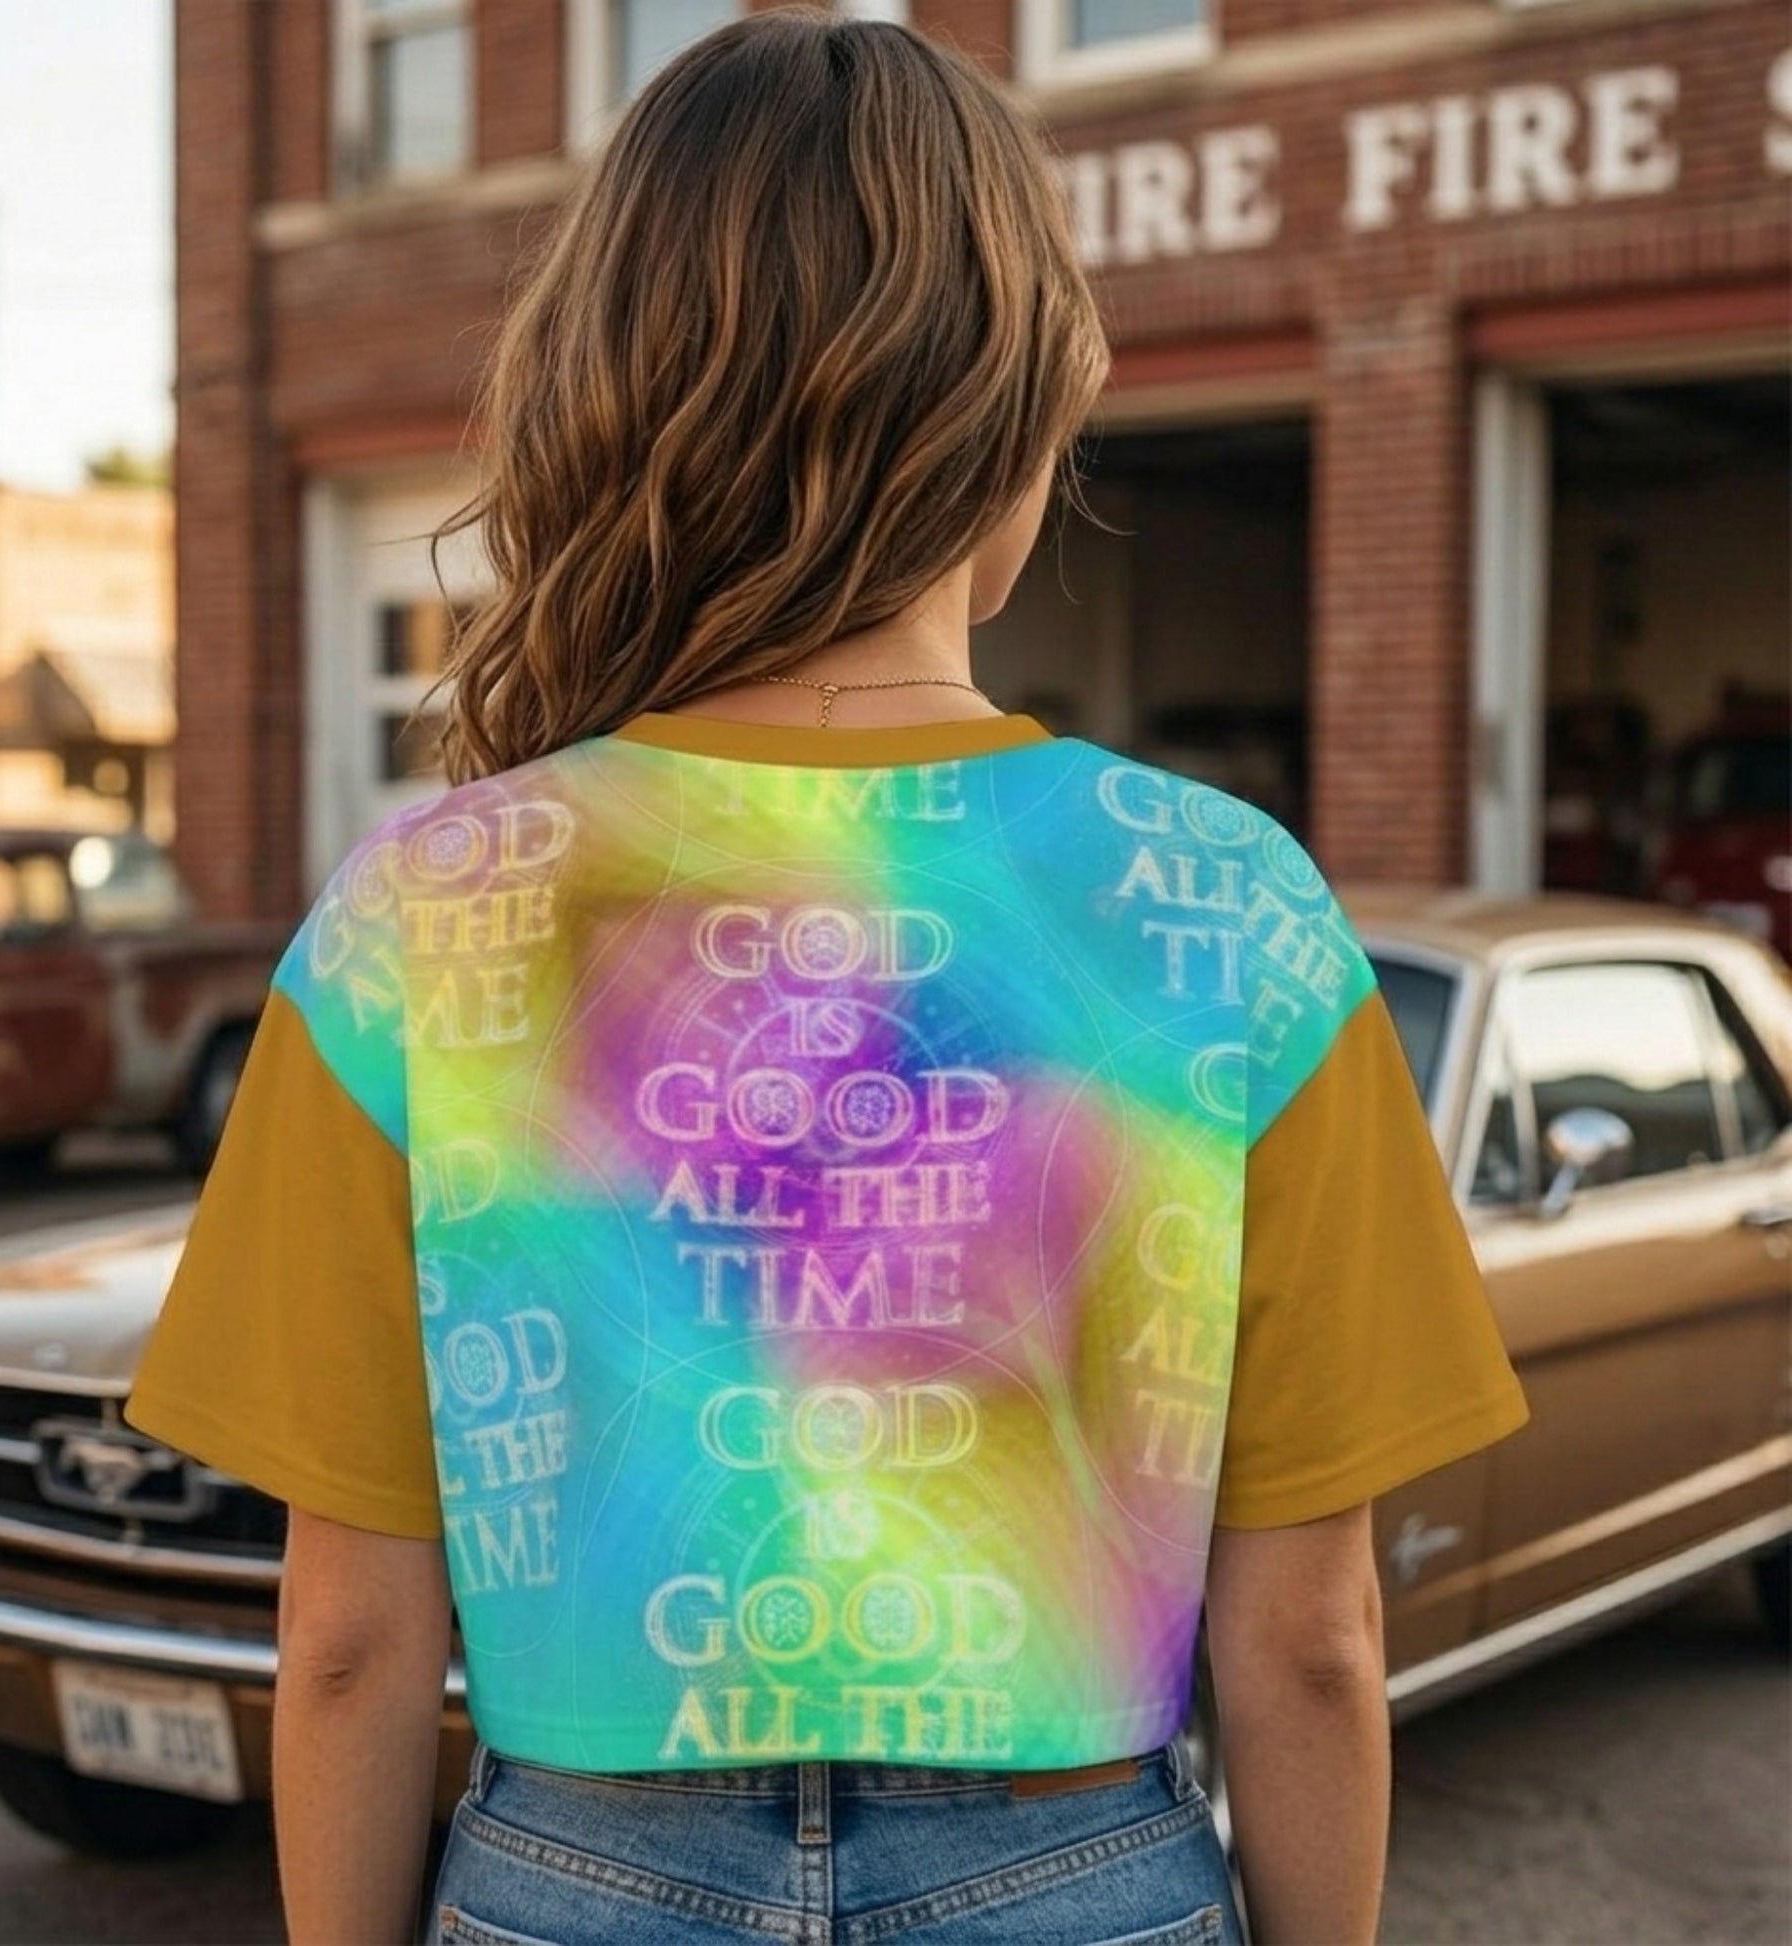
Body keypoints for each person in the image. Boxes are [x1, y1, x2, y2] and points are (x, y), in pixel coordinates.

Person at [124, 13, 1529, 1944]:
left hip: (574, 1872)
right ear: (1020, 427)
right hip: (1081, 1871)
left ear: (610, 401)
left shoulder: (420, 912)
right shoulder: (1230, 908)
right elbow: (1308, 1639)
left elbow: (352, 1637)